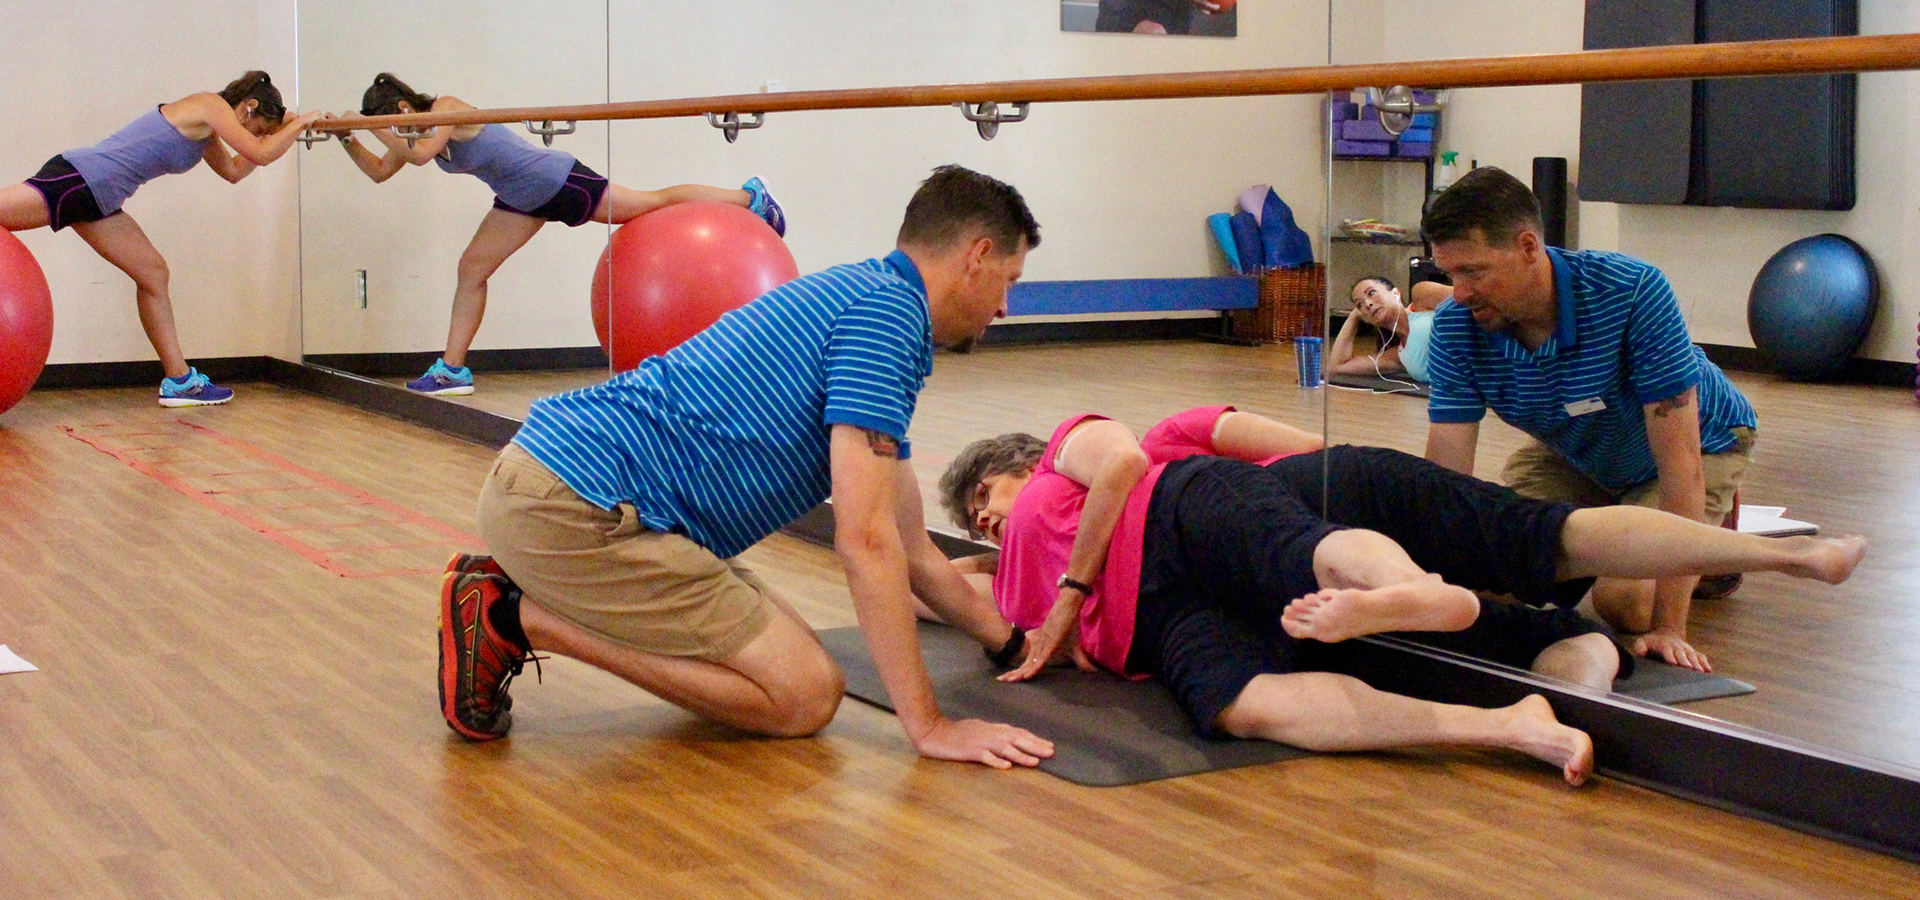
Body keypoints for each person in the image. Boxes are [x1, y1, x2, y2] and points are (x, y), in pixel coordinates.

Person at [438, 165, 1058, 770]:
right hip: (574, 507)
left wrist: (1012, 644)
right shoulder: (887, 323)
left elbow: (911, 549)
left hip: (569, 492)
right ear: (975, 256)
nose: (1004, 306)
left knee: (806, 665)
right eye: (1008, 280)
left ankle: (518, 602)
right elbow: (866, 542)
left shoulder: (869, 298)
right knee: (805, 696)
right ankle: (511, 615)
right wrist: (929, 726)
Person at [938, 406, 1866, 785]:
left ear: (1023, 463)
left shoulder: (1086, 453)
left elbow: (1269, 453)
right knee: (1240, 705)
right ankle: (1512, 712)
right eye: (972, 518)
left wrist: (1068, 593)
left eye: (986, 494)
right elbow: (939, 578)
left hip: (1246, 511)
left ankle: (1794, 557)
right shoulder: (1004, 576)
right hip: (1176, 610)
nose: (984, 518)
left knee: (1515, 540)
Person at [1420, 167, 1760, 673]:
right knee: (1492, 574)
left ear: (1528, 247)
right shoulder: (1454, 328)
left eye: (1473, 271)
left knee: (1626, 604)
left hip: (1700, 444)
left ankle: (1716, 552)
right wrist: (1426, 589)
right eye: (1450, 274)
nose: (1460, 292)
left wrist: (1669, 629)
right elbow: (1444, 482)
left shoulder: (1633, 290)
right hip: (1578, 451)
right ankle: (1609, 532)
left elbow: (1680, 466)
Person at [333, 73, 788, 396]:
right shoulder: (410, 135)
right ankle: (452, 370)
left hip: (555, 179)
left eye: (389, 125)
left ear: (403, 110)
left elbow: (418, 154)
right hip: (518, 198)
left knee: (649, 205)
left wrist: (371, 126)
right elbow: (379, 172)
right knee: (471, 268)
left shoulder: (445, 110)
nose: (390, 136)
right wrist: (349, 138)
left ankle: (750, 198)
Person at [0, 72, 321, 407]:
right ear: (249, 107)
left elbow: (235, 170)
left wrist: (284, 130)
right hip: (80, 179)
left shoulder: (207, 132)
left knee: (153, 273)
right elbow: (260, 152)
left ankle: (179, 381)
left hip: (101, 199)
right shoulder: (208, 104)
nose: (255, 137)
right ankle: (180, 379)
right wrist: (298, 125)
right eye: (259, 129)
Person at [1326, 275, 1451, 382]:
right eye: (1360, 304)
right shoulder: (1399, 357)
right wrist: (1353, 317)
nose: (1368, 304)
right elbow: (1337, 366)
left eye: (1372, 293)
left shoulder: (1422, 297)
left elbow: (1468, 299)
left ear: (1396, 293)